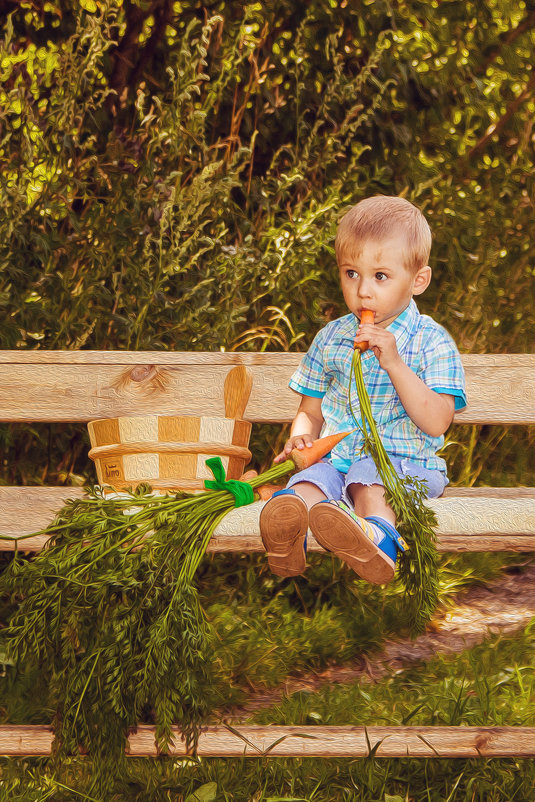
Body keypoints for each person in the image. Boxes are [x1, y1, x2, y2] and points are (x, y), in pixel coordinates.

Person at [259, 195, 467, 584]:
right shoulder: (331, 337)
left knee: (368, 477)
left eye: (380, 276)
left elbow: (438, 421)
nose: (363, 291)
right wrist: (302, 442)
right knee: (310, 482)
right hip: (336, 462)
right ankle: (287, 532)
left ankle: (377, 540)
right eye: (351, 273)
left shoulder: (430, 341)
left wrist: (395, 364)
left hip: (405, 468)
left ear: (418, 280)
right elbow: (311, 410)